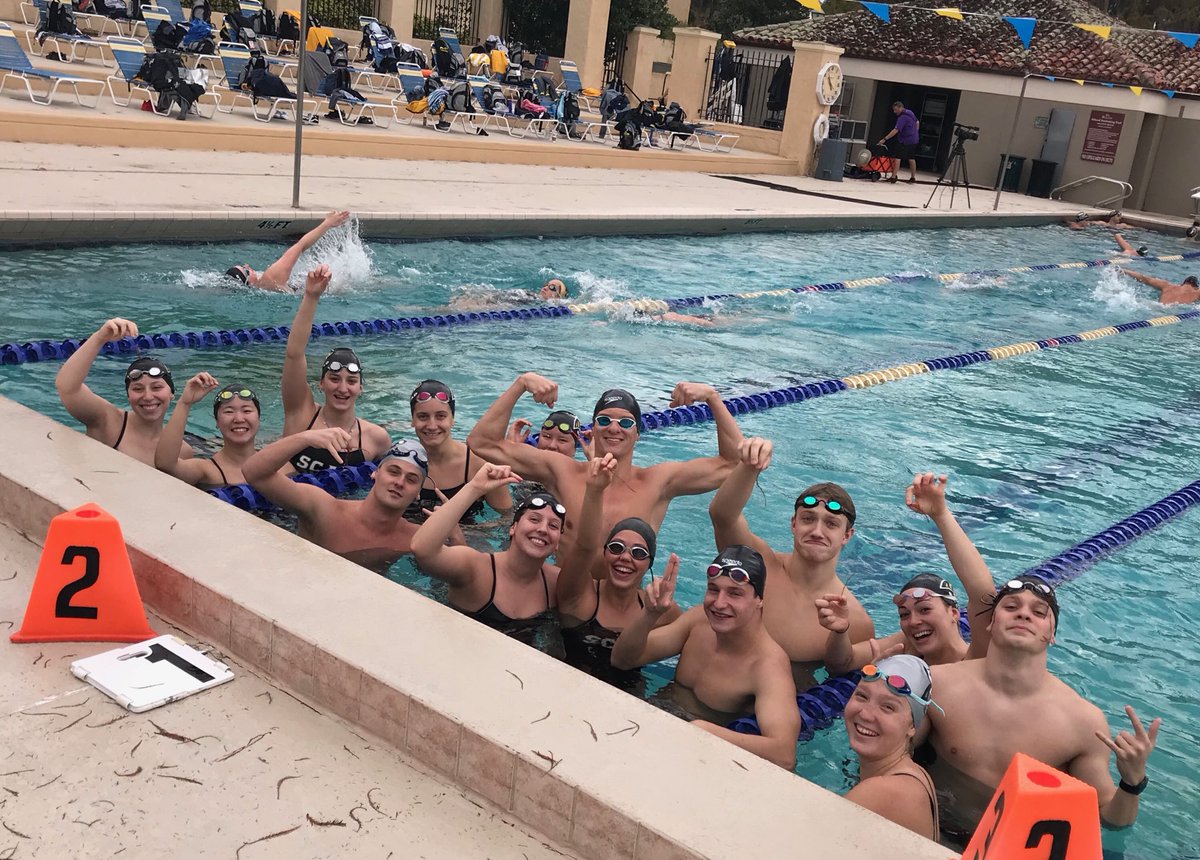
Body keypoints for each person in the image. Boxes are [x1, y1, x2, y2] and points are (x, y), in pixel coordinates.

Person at [917, 576, 1161, 845]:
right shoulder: (937, 684)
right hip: (929, 829)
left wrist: (1132, 781)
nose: (1023, 614)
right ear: (991, 623)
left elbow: (1109, 819)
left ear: (1052, 634)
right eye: (1011, 607)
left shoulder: (1082, 721)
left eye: (1038, 612)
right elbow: (892, 754)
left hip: (1012, 848)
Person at [466, 374, 743, 564]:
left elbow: (731, 463)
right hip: (564, 599)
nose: (613, 428)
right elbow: (482, 442)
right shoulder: (562, 471)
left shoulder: (659, 481)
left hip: (618, 609)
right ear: (592, 429)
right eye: (604, 420)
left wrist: (712, 397)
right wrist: (521, 383)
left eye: (625, 423)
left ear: (637, 434)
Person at [610, 545, 801, 769]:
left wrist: (704, 731)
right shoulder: (699, 621)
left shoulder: (768, 666)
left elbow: (784, 754)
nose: (719, 604)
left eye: (735, 593)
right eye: (713, 589)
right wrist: (650, 614)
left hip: (700, 757)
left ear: (760, 599)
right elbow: (622, 660)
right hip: (654, 725)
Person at [709, 437, 874, 688]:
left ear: (847, 536)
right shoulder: (759, 566)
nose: (817, 531)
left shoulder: (855, 620)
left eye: (831, 524)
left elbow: (840, 681)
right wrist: (749, 467)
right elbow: (722, 515)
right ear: (794, 524)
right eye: (808, 519)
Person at [817, 472, 997, 672]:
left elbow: (983, 594)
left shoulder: (979, 658)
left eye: (925, 609)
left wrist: (941, 514)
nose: (913, 621)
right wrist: (841, 632)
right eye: (904, 614)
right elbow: (841, 664)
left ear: (954, 613)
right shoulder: (907, 647)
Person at [411, 464, 564, 654]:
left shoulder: (556, 583)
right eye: (534, 519)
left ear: (558, 542)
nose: (542, 529)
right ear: (513, 528)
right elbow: (422, 549)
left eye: (553, 525)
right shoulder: (476, 568)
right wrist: (475, 487)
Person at [557, 453, 681, 688]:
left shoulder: (662, 610)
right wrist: (594, 491)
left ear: (649, 563)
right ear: (604, 553)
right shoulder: (580, 594)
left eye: (638, 553)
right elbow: (584, 547)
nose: (625, 557)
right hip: (566, 688)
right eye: (616, 548)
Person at [243, 435, 430, 571]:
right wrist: (304, 439)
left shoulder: (416, 539)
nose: (399, 482)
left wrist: (453, 530)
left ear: (418, 493)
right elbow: (254, 472)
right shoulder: (323, 509)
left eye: (411, 479)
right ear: (375, 473)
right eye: (393, 471)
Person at [281, 265, 391, 473]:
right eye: (334, 378)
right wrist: (311, 296)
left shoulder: (376, 438)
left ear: (361, 388)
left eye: (351, 381)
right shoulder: (301, 414)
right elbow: (294, 354)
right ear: (321, 384)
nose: (342, 388)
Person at [55, 318, 193, 467]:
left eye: (156, 387)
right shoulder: (109, 422)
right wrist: (100, 337)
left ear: (171, 394)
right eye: (138, 389)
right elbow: (67, 388)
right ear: (128, 395)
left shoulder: (182, 450)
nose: (148, 397)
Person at [843, 655, 940, 841]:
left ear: (913, 726)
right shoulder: (913, 774)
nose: (866, 714)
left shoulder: (883, 792)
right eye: (862, 696)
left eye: (888, 707)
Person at [409, 379, 512, 523]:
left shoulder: (480, 465)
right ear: (412, 420)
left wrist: (452, 528)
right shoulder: (402, 461)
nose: (432, 425)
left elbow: (508, 520)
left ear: (452, 419)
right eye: (423, 417)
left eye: (441, 416)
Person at [155, 374, 260, 488]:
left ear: (258, 419)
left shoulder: (276, 464)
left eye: (247, 411)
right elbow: (165, 464)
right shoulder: (206, 470)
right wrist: (185, 403)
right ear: (217, 422)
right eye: (229, 412)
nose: (239, 419)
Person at [224, 210, 350, 291]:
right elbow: (301, 246)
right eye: (245, 270)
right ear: (249, 282)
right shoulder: (270, 278)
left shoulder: (265, 287)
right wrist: (327, 224)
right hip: (326, 291)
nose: (247, 265)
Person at [506, 409, 591, 459]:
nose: (552, 446)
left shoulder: (580, 477)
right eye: (547, 436)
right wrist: (511, 450)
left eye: (562, 440)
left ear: (574, 449)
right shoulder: (523, 466)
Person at [878, 101, 919, 183]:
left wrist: (885, 139)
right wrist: (915, 132)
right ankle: (913, 177)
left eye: (896, 110)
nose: (894, 112)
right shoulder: (909, 112)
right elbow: (917, 122)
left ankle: (893, 177)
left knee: (898, 157)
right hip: (914, 139)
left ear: (900, 108)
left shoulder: (902, 118)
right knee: (911, 158)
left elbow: (896, 130)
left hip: (905, 140)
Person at [1119, 267, 1200, 306]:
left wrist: (1124, 271)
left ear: (1182, 284)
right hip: (1171, 312)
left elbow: (1144, 278)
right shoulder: (1197, 292)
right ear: (1196, 286)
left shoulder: (1167, 285)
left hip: (1155, 306)